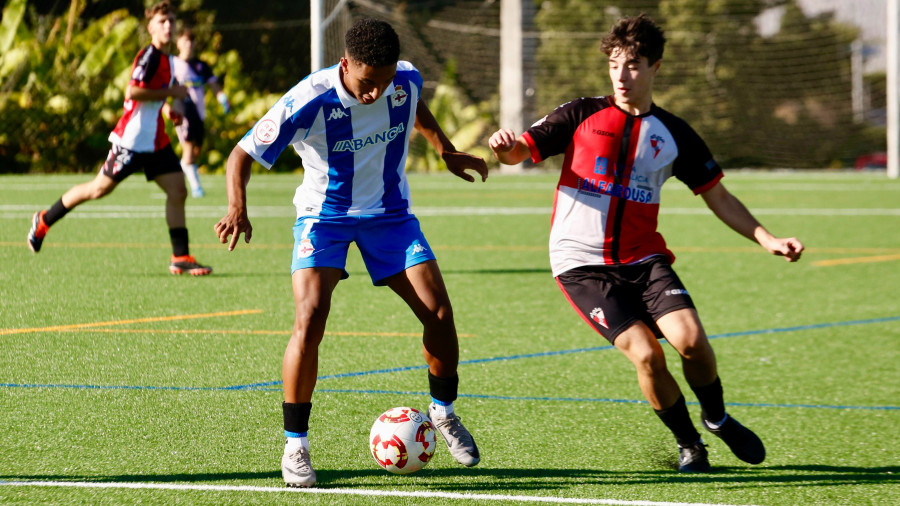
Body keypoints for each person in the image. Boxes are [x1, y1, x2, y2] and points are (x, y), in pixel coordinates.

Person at [488, 14, 803, 473]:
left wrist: (767, 238)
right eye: (615, 64)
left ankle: (716, 418)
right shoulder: (581, 113)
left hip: (644, 258)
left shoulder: (674, 133)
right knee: (646, 353)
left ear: (655, 66)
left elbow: (718, 195)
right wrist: (505, 150)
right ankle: (690, 443)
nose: (621, 75)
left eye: (633, 65)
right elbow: (521, 151)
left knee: (692, 343)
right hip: (582, 265)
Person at [214, 18, 488, 487]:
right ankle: (295, 446)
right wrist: (237, 208)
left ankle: (442, 413)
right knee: (311, 316)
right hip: (326, 218)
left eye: (383, 84)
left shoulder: (404, 79)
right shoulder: (310, 99)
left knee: (439, 313)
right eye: (366, 83)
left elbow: (413, 107)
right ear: (346, 64)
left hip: (390, 215)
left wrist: (445, 148)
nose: (375, 94)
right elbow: (241, 155)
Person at [27, 1, 211, 277]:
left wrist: (173, 109)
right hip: (132, 140)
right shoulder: (149, 56)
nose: (168, 26)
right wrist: (170, 93)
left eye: (172, 20)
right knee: (98, 189)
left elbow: (163, 96)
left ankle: (180, 256)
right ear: (151, 27)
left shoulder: (170, 60)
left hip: (156, 140)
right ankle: (44, 219)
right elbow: (133, 92)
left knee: (178, 191)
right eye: (163, 21)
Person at [172, 27, 230, 198]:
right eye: (184, 41)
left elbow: (214, 86)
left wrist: (222, 98)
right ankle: (196, 187)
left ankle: (176, 178)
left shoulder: (201, 66)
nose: (188, 44)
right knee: (188, 147)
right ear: (178, 43)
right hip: (182, 111)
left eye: (191, 41)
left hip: (199, 112)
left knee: (196, 151)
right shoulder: (173, 64)